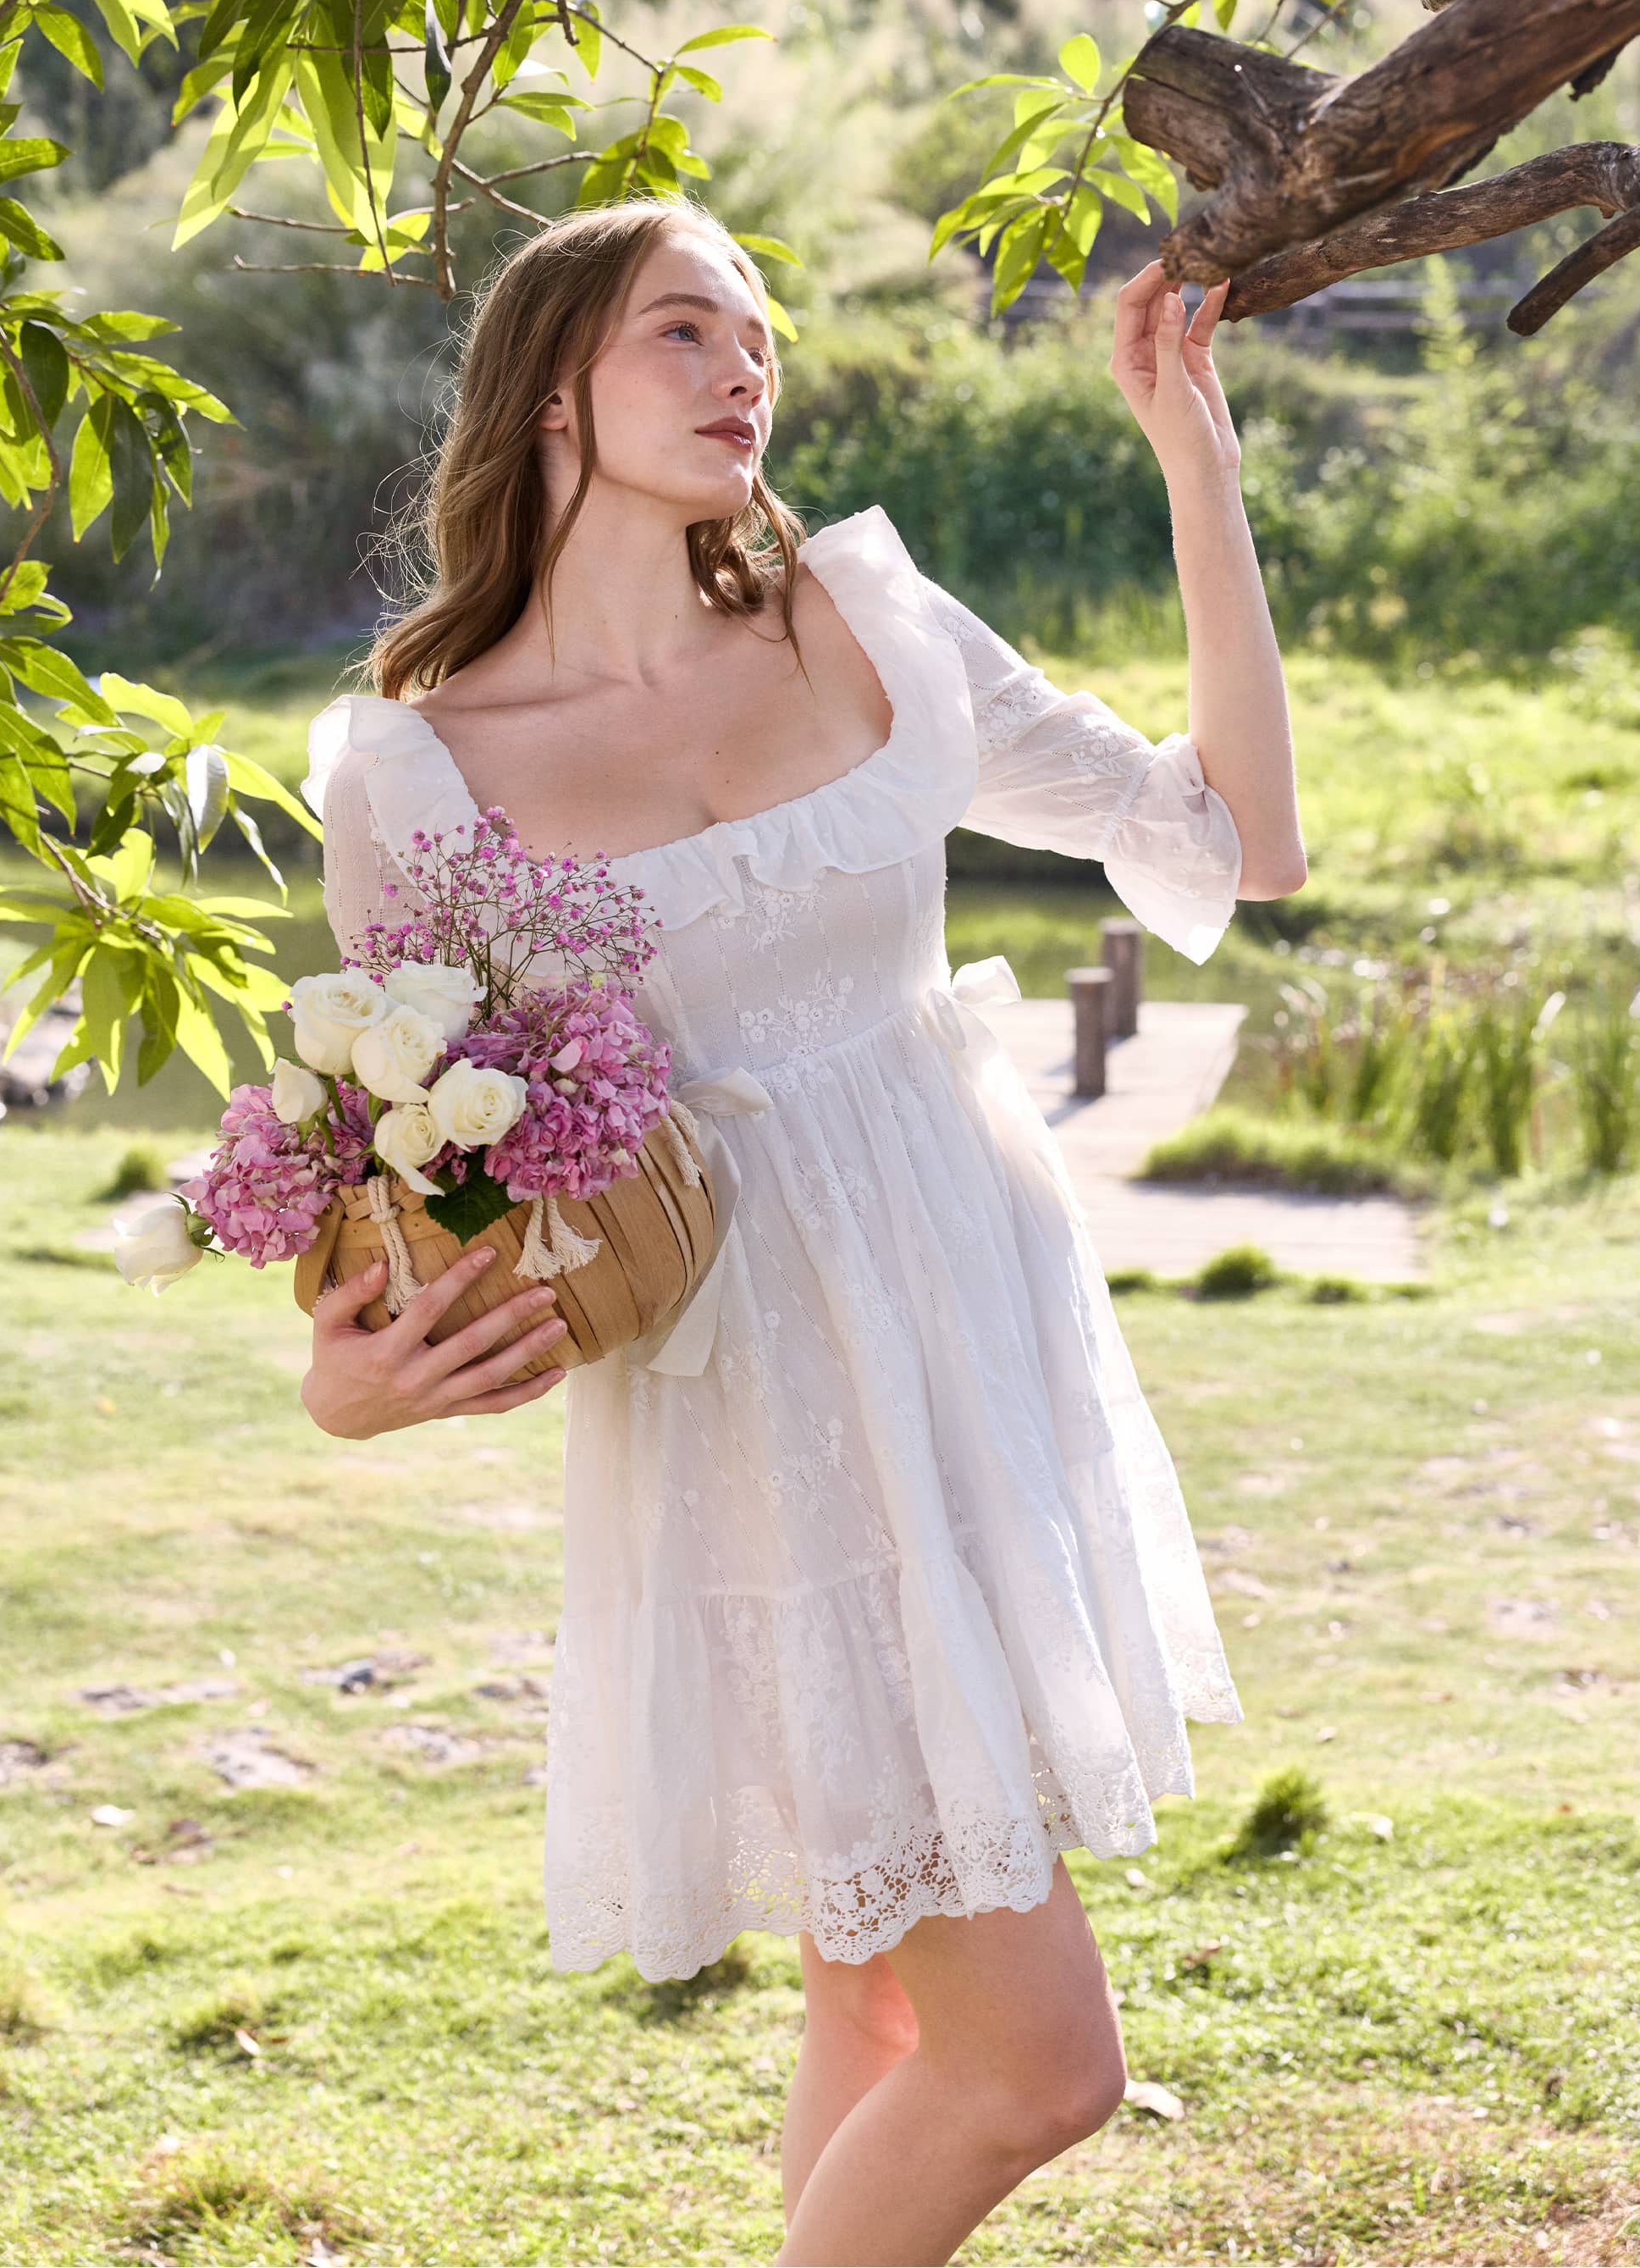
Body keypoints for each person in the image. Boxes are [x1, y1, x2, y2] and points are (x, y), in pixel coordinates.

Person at [298, 198, 1305, 2267]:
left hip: (976, 1344)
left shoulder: (871, 625)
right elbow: (396, 1152)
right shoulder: (421, 776)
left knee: (882, 1991)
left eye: (757, 332)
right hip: (753, 1407)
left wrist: (1194, 454)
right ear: (552, 383)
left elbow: (1233, 836)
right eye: (687, 329)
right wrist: (347, 1373)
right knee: (1035, 2067)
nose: (745, 366)